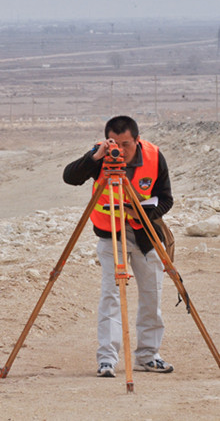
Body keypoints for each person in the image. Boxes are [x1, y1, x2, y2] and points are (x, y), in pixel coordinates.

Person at [63, 115, 174, 378]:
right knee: (111, 295)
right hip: (110, 234)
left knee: (152, 294)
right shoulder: (102, 156)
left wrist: (142, 215)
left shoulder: (155, 157)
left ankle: (148, 355)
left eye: (127, 144)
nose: (121, 151)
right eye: (116, 143)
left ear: (137, 139)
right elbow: (70, 177)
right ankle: (107, 359)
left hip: (144, 234)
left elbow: (166, 199)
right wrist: (94, 156)